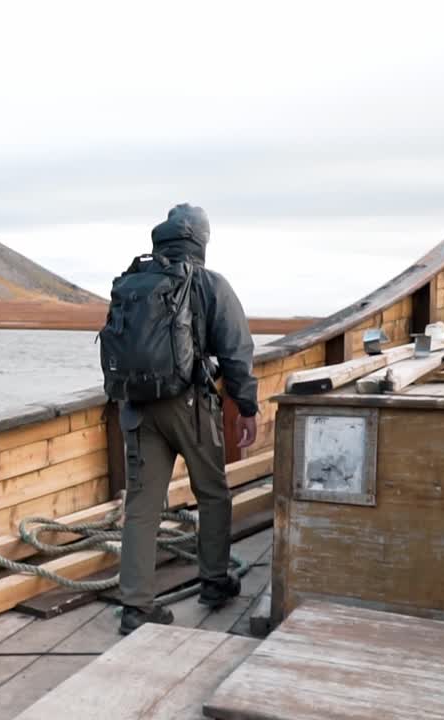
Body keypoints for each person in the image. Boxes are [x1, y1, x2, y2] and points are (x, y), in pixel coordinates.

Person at [113, 204, 259, 635]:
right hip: (190, 405)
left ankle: (135, 607)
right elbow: (236, 351)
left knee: (141, 506)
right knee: (212, 492)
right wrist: (246, 407)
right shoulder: (210, 284)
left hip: (137, 407)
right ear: (200, 242)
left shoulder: (134, 283)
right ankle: (214, 582)